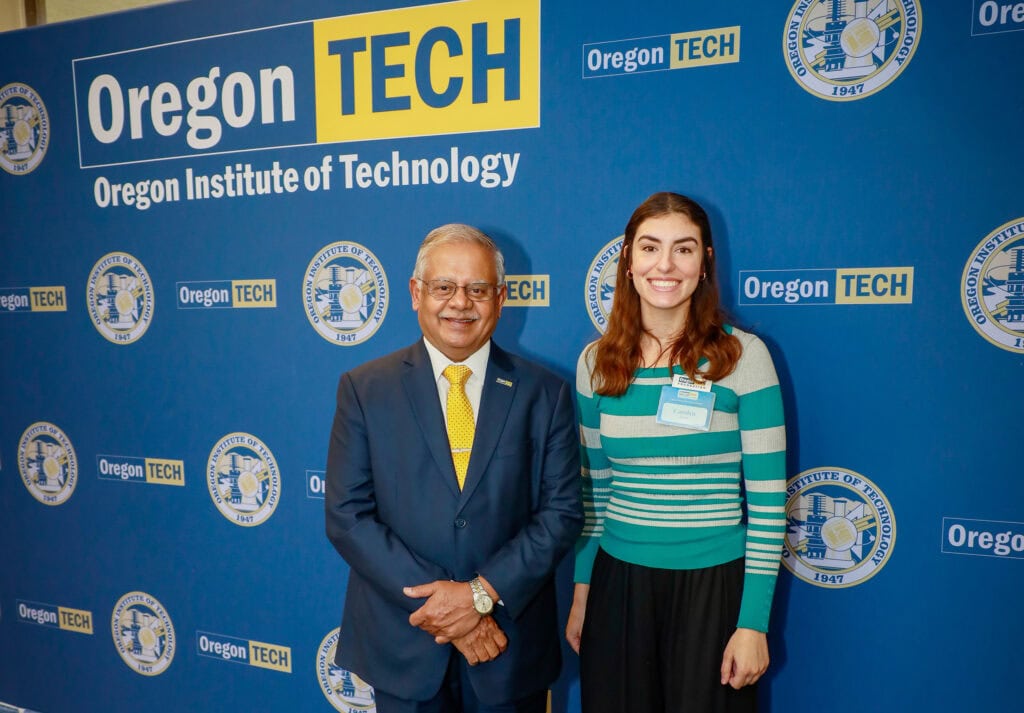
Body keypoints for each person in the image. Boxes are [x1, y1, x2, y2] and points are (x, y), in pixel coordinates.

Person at [325, 223, 583, 713]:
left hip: (508, 649)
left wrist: (480, 596)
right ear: (415, 293)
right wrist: (447, 611)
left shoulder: (545, 394)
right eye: (443, 287)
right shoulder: (364, 389)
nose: (460, 303)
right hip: (404, 646)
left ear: (501, 298)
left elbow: (561, 514)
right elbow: (347, 516)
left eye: (477, 289)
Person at [565, 192, 787, 712]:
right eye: (650, 247)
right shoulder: (596, 364)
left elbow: (770, 507)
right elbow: (592, 495)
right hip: (617, 589)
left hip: (714, 591)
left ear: (705, 261)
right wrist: (582, 595)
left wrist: (752, 623)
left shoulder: (744, 358)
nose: (665, 265)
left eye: (683, 249)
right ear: (628, 261)